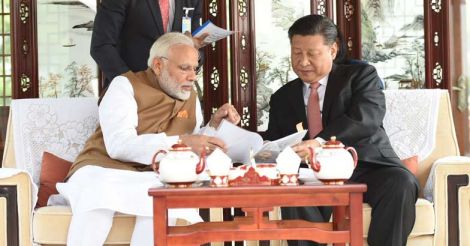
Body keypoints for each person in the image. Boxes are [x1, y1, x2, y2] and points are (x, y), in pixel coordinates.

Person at [57, 32, 240, 246]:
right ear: (158, 65)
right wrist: (181, 142)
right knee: (98, 196)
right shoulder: (124, 86)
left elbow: (193, 143)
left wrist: (214, 126)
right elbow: (119, 145)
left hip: (152, 177)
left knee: (163, 198)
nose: (192, 76)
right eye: (184, 68)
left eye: (195, 68)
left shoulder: (189, 96)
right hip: (102, 170)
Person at [264, 15, 418, 246]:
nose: (303, 61)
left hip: (367, 165)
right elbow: (276, 141)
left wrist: (318, 142)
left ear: (333, 50)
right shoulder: (282, 97)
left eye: (312, 54)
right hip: (311, 176)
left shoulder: (361, 76)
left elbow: (366, 118)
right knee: (292, 192)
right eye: (297, 53)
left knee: (401, 182)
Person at [91, 0, 207, 88]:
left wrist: (194, 53)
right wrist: (132, 84)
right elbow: (102, 45)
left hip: (174, 97)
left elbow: (196, 45)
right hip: (129, 96)